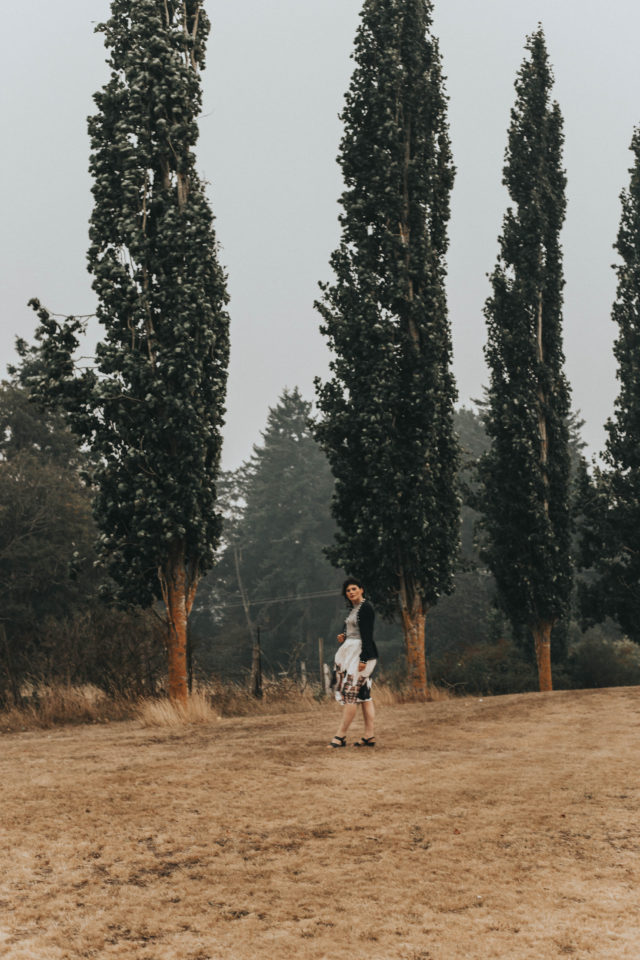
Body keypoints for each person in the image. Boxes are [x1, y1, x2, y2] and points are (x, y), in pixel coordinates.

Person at [329, 577, 378, 748]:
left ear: (361, 589)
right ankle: (369, 736)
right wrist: (344, 635)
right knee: (364, 695)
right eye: (348, 590)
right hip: (350, 652)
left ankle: (340, 736)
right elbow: (351, 629)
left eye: (354, 589)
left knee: (350, 694)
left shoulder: (366, 608)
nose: (351, 592)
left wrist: (363, 659)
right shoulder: (354, 609)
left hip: (361, 655)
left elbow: (367, 635)